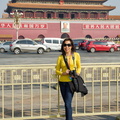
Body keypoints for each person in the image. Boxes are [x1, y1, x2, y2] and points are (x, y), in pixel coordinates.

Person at [55, 38, 81, 120]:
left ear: (72, 46)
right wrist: (63, 73)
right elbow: (56, 70)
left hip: (71, 82)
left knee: (67, 103)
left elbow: (79, 66)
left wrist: (77, 73)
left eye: (69, 45)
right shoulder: (60, 57)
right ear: (63, 47)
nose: (67, 47)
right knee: (67, 103)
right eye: (65, 45)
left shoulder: (76, 55)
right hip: (62, 82)